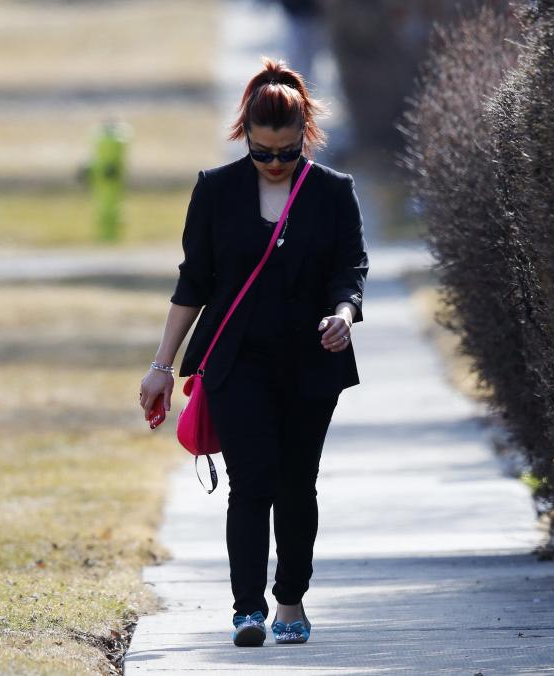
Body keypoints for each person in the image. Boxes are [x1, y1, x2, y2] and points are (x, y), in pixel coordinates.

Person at [138, 56, 369, 647]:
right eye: (262, 151)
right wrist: (162, 366)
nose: (273, 163)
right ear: (244, 133)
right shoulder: (216, 191)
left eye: (286, 152)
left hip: (311, 362)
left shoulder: (333, 193)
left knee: (297, 483)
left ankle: (289, 599)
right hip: (235, 362)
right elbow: (194, 282)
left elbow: (351, 270)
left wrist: (343, 316)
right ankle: (247, 609)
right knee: (251, 484)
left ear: (304, 138)